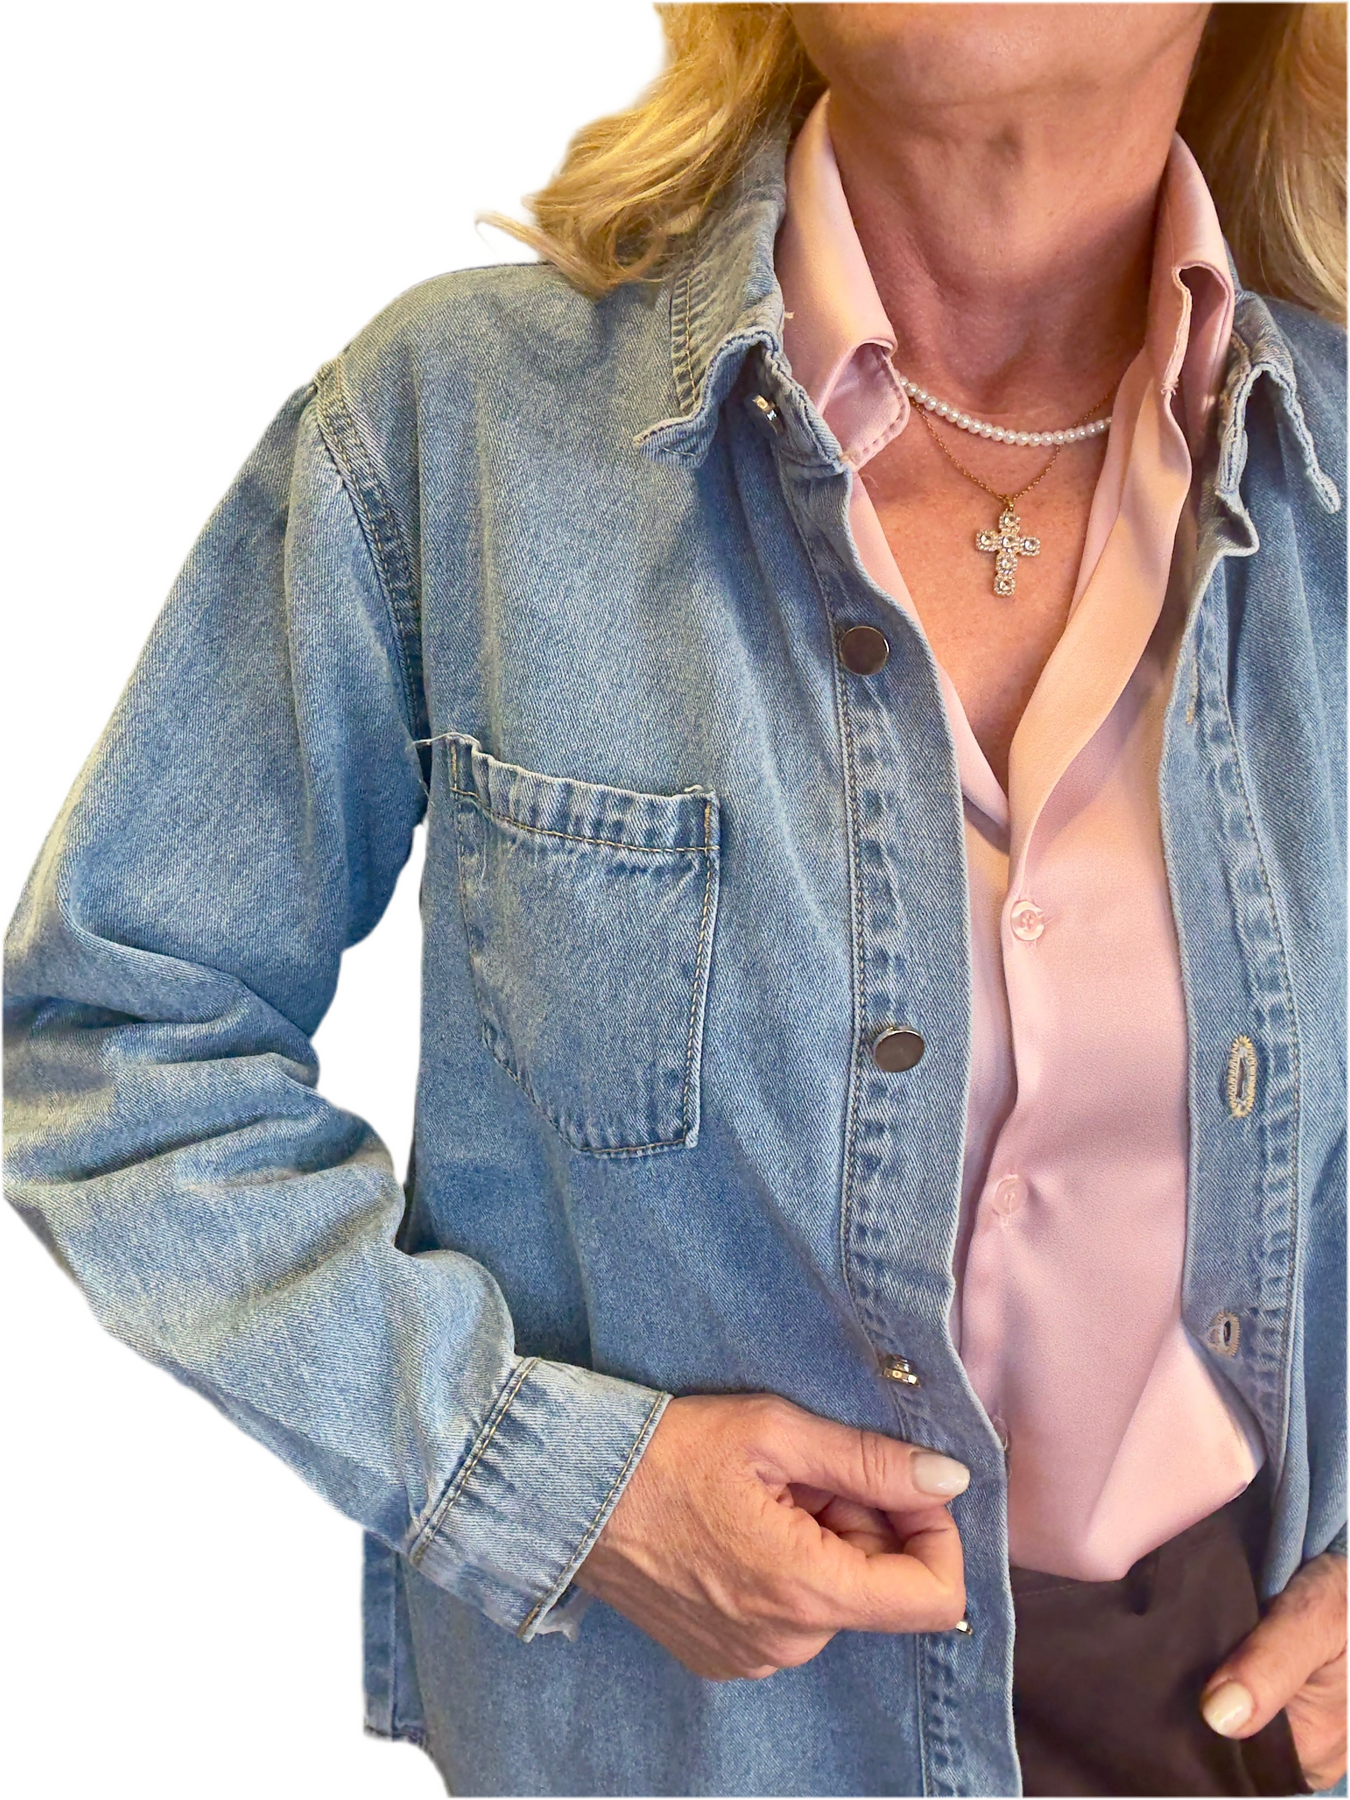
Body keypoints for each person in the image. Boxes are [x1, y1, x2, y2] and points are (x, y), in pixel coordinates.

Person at [5, 3, 1346, 1794]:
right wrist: (560, 1485)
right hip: (678, 1739)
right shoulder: (459, 429)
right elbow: (111, 1042)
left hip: (1230, 1722)